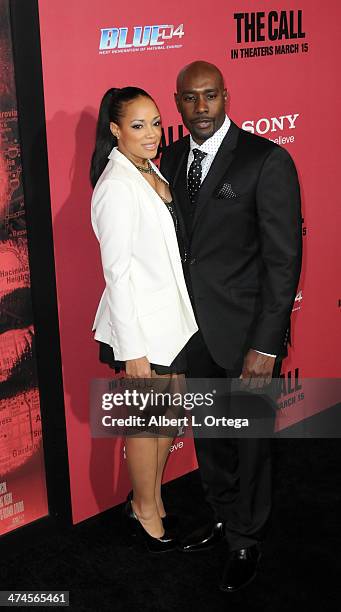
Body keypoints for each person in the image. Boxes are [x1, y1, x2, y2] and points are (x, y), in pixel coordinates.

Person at [160, 61, 302, 590]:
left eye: (210, 96)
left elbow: (283, 262)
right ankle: (221, 514)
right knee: (210, 438)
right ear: (177, 102)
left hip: (245, 333)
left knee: (248, 442)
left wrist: (266, 345)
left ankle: (246, 538)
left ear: (225, 96)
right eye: (190, 98)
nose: (200, 107)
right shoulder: (171, 158)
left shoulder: (265, 160)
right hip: (191, 331)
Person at [90, 87, 198, 553]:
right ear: (115, 130)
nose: (152, 133)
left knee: (169, 419)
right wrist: (131, 348)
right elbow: (116, 274)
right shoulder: (114, 186)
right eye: (138, 125)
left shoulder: (148, 166)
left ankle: (148, 498)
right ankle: (146, 513)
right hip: (141, 330)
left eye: (155, 122)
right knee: (147, 423)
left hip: (175, 322)